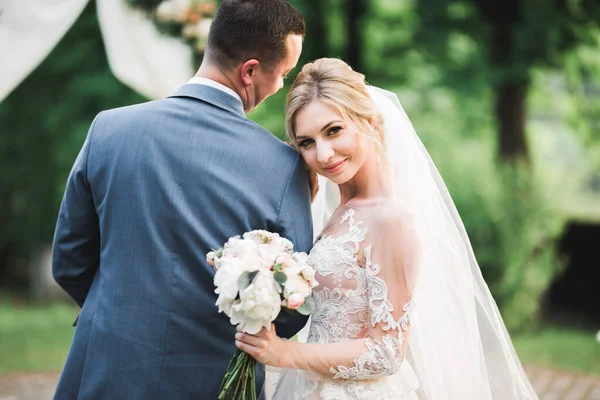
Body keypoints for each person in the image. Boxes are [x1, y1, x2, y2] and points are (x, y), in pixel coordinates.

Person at [235, 58, 540, 400]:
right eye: (307, 142)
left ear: (371, 122)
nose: (323, 153)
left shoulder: (389, 220)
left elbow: (386, 352)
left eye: (334, 130)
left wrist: (286, 353)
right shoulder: (339, 213)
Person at [51, 1, 312, 398]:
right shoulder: (283, 165)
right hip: (214, 381)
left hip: (110, 368)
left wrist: (123, 311)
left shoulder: (109, 129)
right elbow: (294, 303)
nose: (279, 87)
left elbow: (69, 260)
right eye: (282, 75)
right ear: (250, 71)